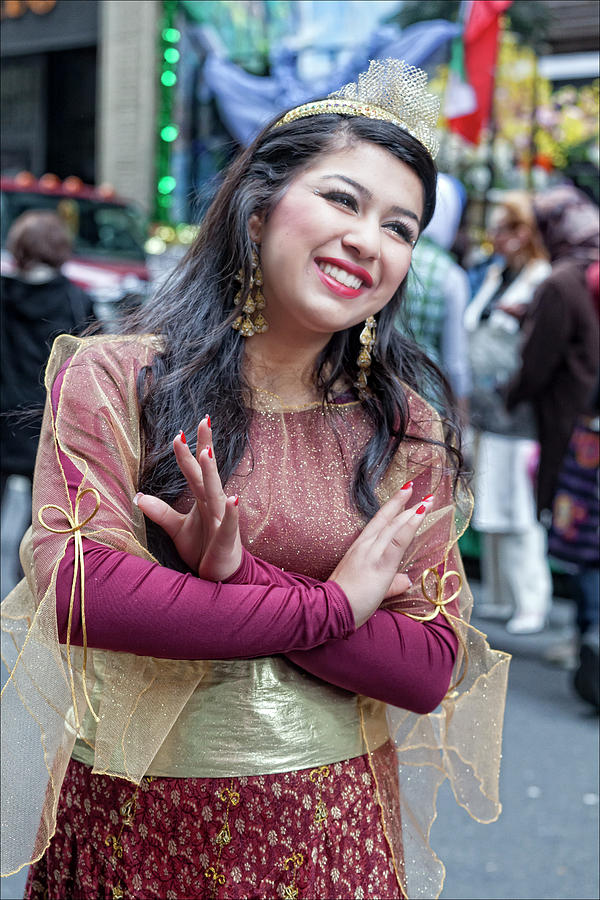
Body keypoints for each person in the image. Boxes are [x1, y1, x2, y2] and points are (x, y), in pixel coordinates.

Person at [1, 60, 509, 900]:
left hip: (327, 833)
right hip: (132, 827)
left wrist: (238, 577)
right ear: (259, 204)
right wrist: (336, 607)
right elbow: (86, 589)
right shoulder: (117, 379)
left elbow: (426, 663)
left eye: (401, 227)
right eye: (344, 200)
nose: (368, 241)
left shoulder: (405, 429)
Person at [464, 191, 554, 634]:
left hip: (519, 416)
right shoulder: (495, 274)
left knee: (518, 510)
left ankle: (531, 601)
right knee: (490, 505)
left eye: (501, 228)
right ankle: (501, 594)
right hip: (485, 411)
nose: (493, 237)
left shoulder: (542, 282)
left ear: (522, 234)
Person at [1, 211, 96, 501]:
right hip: (48, 426)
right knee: (47, 527)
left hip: (2, 421)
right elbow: (88, 368)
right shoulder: (77, 301)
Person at [399, 172, 471, 424]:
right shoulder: (451, 276)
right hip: (427, 398)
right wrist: (461, 415)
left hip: (378, 383)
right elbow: (455, 358)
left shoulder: (394, 253)